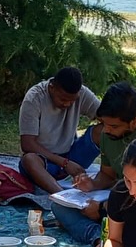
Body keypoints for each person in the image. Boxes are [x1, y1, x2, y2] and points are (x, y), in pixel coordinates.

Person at [51, 82, 136, 245]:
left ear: (134, 122)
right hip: (118, 201)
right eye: (104, 123)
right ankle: (98, 236)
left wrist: (104, 208)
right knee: (59, 207)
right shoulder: (107, 133)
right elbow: (108, 174)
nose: (106, 130)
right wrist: (92, 184)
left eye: (114, 126)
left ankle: (115, 237)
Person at [18, 66, 101, 195]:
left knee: (104, 129)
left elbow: (107, 117)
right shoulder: (34, 98)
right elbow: (27, 144)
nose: (68, 104)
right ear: (52, 88)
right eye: (63, 99)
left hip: (72, 156)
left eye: (72, 101)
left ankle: (108, 178)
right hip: (45, 162)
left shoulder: (81, 93)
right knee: (29, 160)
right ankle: (62, 196)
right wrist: (64, 163)